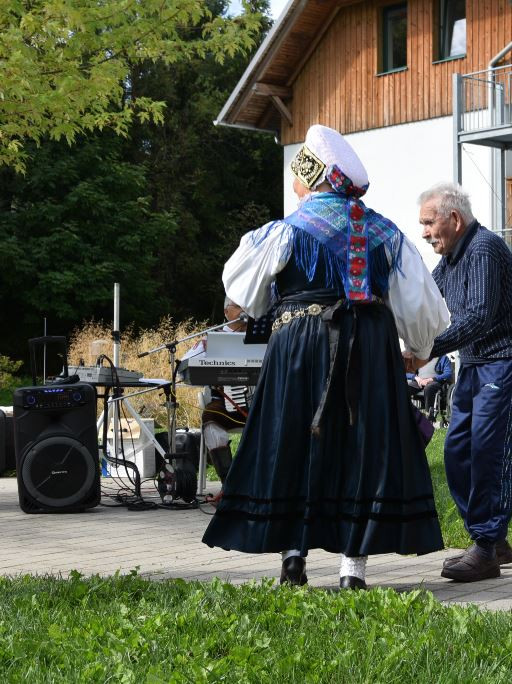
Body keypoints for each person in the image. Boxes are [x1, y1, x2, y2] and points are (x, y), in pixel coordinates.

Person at [203, 124, 451, 590]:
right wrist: (416, 352)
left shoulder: (285, 231)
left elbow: (240, 293)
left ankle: (293, 556)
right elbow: (420, 311)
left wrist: (255, 311)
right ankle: (351, 569)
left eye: (297, 179)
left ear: (313, 180)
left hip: (297, 341)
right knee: (362, 445)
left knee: (291, 440)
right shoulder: (386, 233)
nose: (294, 189)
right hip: (370, 345)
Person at [411, 181, 512, 583]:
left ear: (454, 219)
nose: (425, 232)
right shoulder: (449, 260)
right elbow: (422, 299)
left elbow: (480, 316)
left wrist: (426, 350)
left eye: (429, 223)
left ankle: (486, 548)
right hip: (476, 363)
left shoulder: (484, 248)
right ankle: (493, 540)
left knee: (489, 451)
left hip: (507, 361)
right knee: (458, 451)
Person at [181, 297, 251, 505]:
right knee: (211, 417)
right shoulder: (213, 338)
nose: (243, 311)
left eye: (246, 307)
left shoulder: (263, 336)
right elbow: (184, 370)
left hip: (262, 402)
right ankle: (229, 486)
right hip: (227, 403)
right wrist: (204, 358)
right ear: (226, 312)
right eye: (238, 306)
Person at [407, 355, 454, 421]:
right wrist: (416, 378)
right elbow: (406, 372)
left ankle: (428, 415)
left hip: (434, 381)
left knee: (429, 388)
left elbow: (448, 373)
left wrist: (431, 379)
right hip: (419, 381)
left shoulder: (443, 357)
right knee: (406, 389)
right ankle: (407, 413)